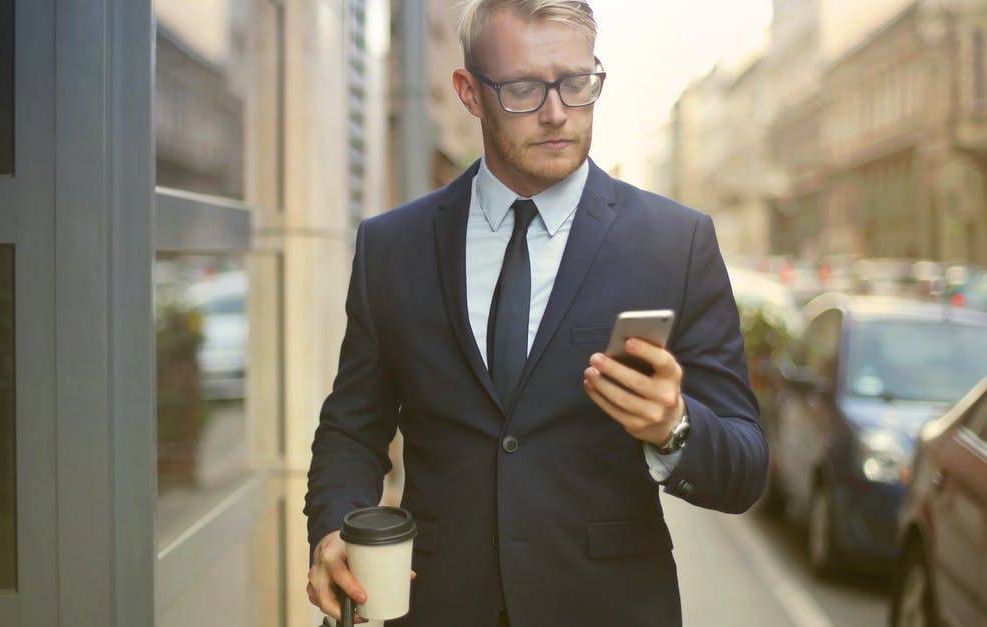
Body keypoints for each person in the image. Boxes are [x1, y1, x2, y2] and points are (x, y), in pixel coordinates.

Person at [304, 1, 768, 625]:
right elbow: (351, 431)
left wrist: (675, 428)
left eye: (577, 83)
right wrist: (334, 531)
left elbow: (746, 468)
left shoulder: (676, 243)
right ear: (469, 92)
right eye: (524, 89)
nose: (557, 112)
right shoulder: (393, 246)